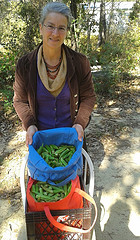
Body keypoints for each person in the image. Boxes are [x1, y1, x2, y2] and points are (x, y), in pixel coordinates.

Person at [13, 2, 96, 147]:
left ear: (66, 31)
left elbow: (88, 97)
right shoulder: (25, 65)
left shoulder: (79, 62)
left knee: (77, 170)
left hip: (71, 140)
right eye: (50, 26)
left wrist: (80, 124)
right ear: (41, 28)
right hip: (41, 142)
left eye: (61, 28)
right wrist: (29, 125)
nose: (55, 33)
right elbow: (19, 100)